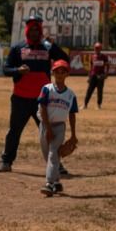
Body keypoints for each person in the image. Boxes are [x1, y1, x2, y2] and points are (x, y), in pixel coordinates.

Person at [0, 15, 69, 173]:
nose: (35, 31)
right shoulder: (17, 48)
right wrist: (18, 71)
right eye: (32, 28)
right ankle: (6, 161)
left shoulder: (47, 48)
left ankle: (56, 164)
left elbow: (65, 60)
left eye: (38, 29)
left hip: (42, 100)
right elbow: (5, 69)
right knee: (14, 131)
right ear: (27, 30)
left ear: (41, 30)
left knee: (48, 132)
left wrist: (54, 46)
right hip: (20, 98)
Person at [38, 60, 79, 196]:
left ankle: (49, 184)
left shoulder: (71, 95)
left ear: (67, 74)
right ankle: (56, 182)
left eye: (63, 71)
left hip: (60, 127)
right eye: (57, 71)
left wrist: (73, 135)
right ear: (53, 72)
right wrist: (48, 128)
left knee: (53, 154)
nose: (60, 74)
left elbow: (72, 114)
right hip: (45, 125)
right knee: (47, 156)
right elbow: (43, 108)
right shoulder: (47, 89)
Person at [84, 43, 108, 109]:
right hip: (93, 76)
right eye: (95, 48)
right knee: (89, 90)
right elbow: (91, 67)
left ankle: (99, 105)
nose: (96, 50)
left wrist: (106, 74)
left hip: (100, 76)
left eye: (98, 48)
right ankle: (85, 105)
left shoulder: (104, 57)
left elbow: (107, 65)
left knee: (100, 91)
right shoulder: (93, 56)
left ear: (100, 49)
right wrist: (89, 76)